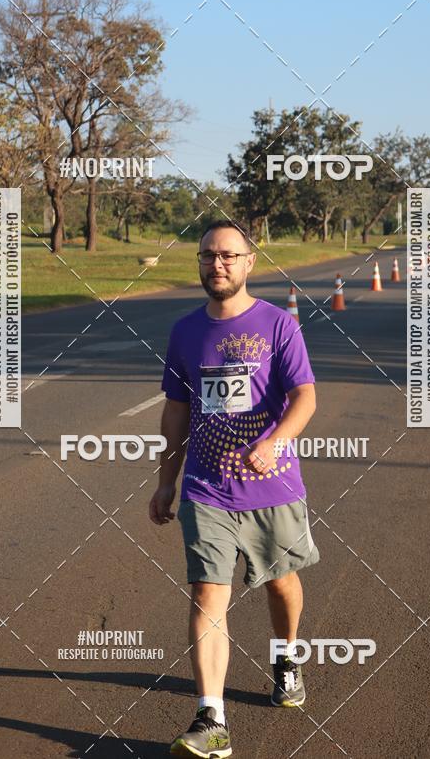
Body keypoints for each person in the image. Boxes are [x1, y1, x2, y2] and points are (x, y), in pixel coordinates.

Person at [149, 219, 319, 759]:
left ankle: (287, 657)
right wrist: (165, 480)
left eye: (227, 255)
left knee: (279, 583)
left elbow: (306, 398)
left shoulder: (277, 325)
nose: (216, 264)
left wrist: (276, 442)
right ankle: (211, 719)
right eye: (206, 256)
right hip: (207, 486)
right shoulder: (184, 331)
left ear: (249, 262)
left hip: (272, 485)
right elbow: (176, 412)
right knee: (207, 594)